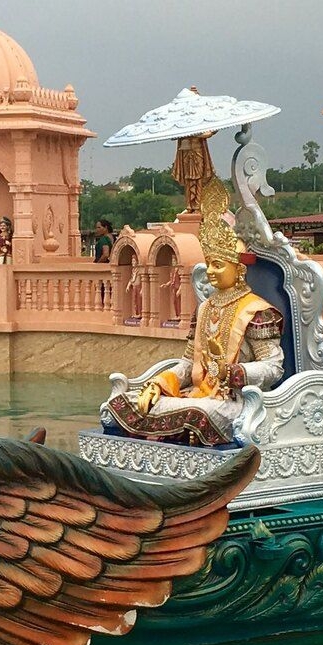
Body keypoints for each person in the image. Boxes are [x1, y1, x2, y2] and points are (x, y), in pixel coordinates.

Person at [104, 179, 284, 446]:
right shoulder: (205, 308)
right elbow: (190, 364)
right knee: (123, 402)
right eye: (208, 264)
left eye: (218, 265)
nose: (210, 272)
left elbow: (273, 367)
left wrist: (232, 372)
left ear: (239, 269)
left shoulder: (257, 312)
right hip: (198, 393)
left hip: (236, 400)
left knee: (196, 413)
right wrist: (158, 383)